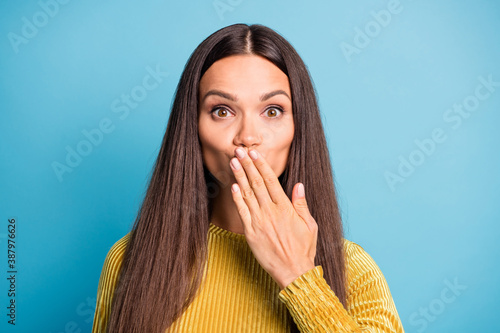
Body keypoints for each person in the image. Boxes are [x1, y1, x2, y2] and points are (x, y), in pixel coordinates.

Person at [92, 23, 405, 333]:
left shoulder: (354, 270)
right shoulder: (130, 260)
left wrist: (299, 275)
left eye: (272, 111)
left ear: (299, 128)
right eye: (222, 111)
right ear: (193, 128)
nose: (248, 137)